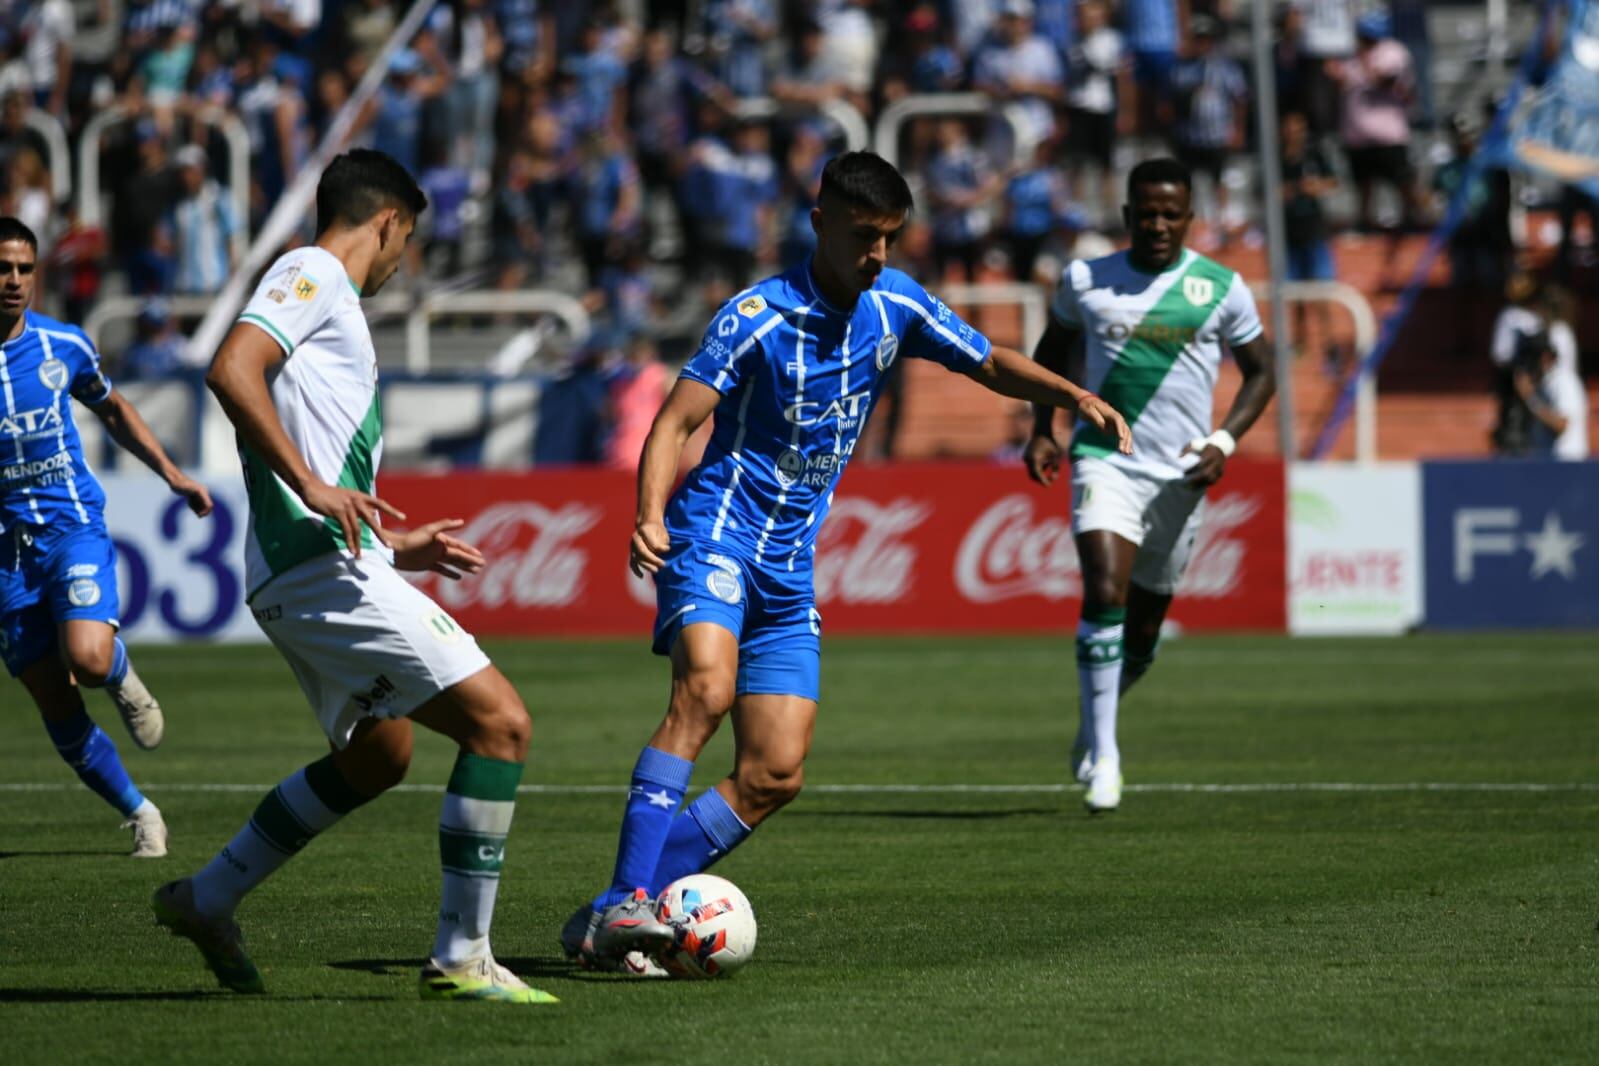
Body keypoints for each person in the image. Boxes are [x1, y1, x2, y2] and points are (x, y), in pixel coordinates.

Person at [559, 150, 1131, 975]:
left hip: (789, 572)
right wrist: (648, 512)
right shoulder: (755, 315)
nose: (878, 255)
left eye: (891, 239)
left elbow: (986, 360)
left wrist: (1067, 395)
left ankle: (618, 904)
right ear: (819, 220)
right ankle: (624, 904)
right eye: (865, 237)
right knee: (706, 691)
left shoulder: (893, 303)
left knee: (774, 772)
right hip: (716, 537)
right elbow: (675, 421)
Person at [151, 150, 555, 1005]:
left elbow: (306, 426)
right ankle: (461, 956)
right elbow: (231, 368)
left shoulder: (325, 295)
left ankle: (209, 897)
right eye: (406, 240)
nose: (403, 260)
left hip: (313, 566)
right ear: (389, 221)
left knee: (381, 756)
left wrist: (395, 549)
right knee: (503, 725)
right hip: (314, 570)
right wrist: (309, 484)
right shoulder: (313, 272)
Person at [1024, 158, 1276, 813]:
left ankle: (1092, 723)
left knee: (1141, 633)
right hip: (1105, 460)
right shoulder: (1085, 281)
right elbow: (1049, 356)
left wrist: (1223, 441)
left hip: (1181, 475)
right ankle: (1106, 755)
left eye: (1171, 213)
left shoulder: (1221, 288)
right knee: (1102, 587)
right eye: (1147, 213)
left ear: (1190, 219)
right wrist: (1043, 428)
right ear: (1126, 215)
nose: (1158, 224)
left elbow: (1260, 374)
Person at [0, 216, 213, 858]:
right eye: (2, 269)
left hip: (72, 529)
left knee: (88, 660)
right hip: (8, 556)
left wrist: (173, 474)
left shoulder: (62, 345)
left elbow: (114, 409)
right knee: (54, 702)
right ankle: (141, 811)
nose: (13, 281)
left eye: (23, 269)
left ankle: (120, 674)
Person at [1513, 331, 1589, 462]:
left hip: (1567, 464)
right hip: (1551, 463)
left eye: (1532, 358)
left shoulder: (1564, 381)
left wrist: (1529, 398)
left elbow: (1562, 424)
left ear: (1546, 356)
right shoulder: (1546, 382)